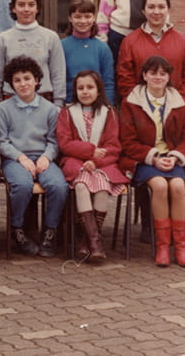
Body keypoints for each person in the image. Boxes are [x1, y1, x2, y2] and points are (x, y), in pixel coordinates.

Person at [120, 56, 185, 267]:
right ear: (144, 75)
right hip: (144, 159)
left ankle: (180, 247)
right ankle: (162, 245)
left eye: (163, 74)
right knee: (160, 185)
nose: (158, 77)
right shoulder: (131, 102)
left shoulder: (180, 103)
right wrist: (153, 158)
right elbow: (127, 141)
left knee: (178, 187)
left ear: (168, 77)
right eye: (153, 73)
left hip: (172, 158)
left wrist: (175, 156)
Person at [0, 55, 68, 258]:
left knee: (58, 186)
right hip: (15, 159)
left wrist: (47, 157)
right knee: (22, 184)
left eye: (27, 78)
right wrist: (21, 158)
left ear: (36, 80)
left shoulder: (50, 109)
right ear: (11, 84)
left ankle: (50, 231)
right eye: (17, 80)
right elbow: (1, 141)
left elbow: (54, 141)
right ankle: (17, 229)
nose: (23, 84)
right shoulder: (3, 109)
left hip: (43, 156)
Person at [56, 70, 127, 261]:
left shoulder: (109, 113)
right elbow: (65, 143)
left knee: (102, 188)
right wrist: (90, 151)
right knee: (81, 185)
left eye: (90, 87)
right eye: (80, 88)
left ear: (98, 90)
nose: (85, 91)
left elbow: (113, 146)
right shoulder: (67, 113)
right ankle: (94, 243)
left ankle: (87, 241)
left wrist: (95, 161)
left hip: (103, 163)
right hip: (75, 160)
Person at [116, 0, 185, 105]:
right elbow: (125, 78)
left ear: (168, 10)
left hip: (175, 108)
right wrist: (139, 104)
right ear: (143, 11)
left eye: (161, 7)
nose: (156, 11)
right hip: (141, 108)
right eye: (151, 7)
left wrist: (179, 102)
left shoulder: (183, 41)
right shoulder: (130, 42)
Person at [0, 0, 66, 107]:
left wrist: (58, 103)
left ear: (37, 8)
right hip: (11, 101)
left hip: (44, 101)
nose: (26, 9)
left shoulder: (51, 37)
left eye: (31, 5)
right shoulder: (3, 38)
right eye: (21, 5)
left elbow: (58, 74)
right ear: (13, 8)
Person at [61, 0, 115, 104]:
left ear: (94, 17)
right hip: (69, 104)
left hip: (97, 106)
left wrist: (107, 107)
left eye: (87, 16)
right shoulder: (61, 46)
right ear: (70, 18)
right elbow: (58, 80)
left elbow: (108, 83)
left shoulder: (102, 48)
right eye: (78, 17)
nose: (83, 21)